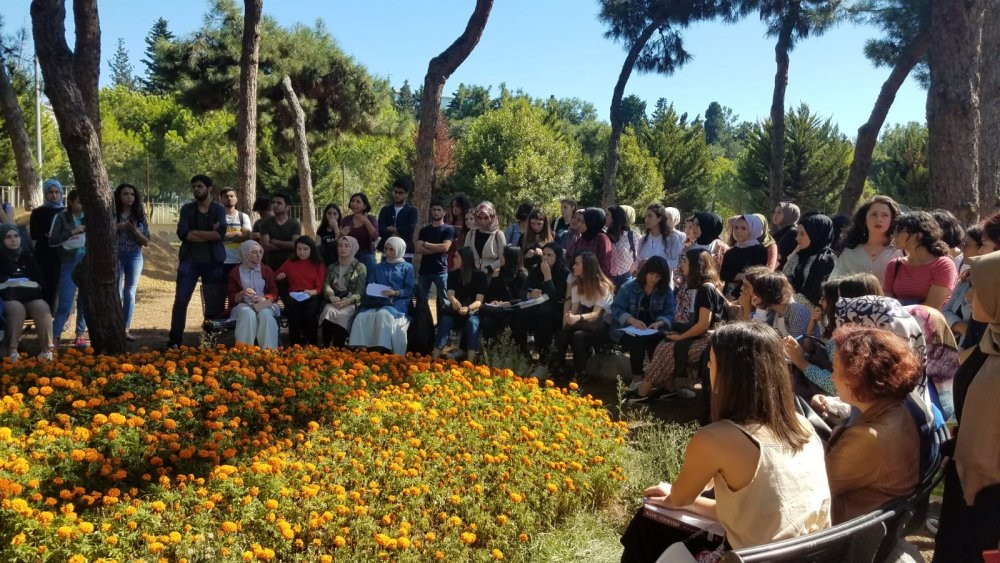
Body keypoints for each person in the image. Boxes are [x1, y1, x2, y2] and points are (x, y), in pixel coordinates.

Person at [620, 323, 831, 561]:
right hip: (803, 555)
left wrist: (674, 495)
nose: (708, 367)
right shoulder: (803, 427)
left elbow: (679, 499)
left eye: (711, 361)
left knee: (647, 523)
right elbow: (755, 516)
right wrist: (684, 501)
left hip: (748, 557)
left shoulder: (717, 438)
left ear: (729, 374)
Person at [932, 251, 1000, 563]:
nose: (969, 296)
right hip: (966, 485)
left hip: (988, 502)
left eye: (979, 288)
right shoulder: (991, 340)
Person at [824, 325, 921, 523]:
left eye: (835, 370)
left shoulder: (868, 437)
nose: (832, 377)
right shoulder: (897, 410)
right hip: (876, 519)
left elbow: (816, 487)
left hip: (845, 531)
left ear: (858, 378)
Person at [627, 248, 728, 403]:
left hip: (709, 340)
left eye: (685, 261)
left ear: (695, 265)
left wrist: (681, 337)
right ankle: (667, 387)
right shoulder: (705, 287)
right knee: (664, 342)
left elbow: (703, 325)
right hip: (704, 336)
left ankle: (644, 390)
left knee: (667, 349)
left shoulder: (706, 289)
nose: (682, 265)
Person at [167, 175, 227, 349]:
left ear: (209, 189)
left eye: (200, 186)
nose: (196, 190)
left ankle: (210, 342)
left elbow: (219, 235)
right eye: (194, 187)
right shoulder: (187, 209)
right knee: (181, 301)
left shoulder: (218, 210)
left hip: (213, 262)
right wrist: (209, 234)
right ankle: (175, 341)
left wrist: (195, 233)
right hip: (189, 262)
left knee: (213, 304)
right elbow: (183, 234)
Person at [609, 256, 675, 385]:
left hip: (652, 329)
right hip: (626, 330)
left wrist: (659, 323)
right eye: (651, 274)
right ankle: (637, 377)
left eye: (658, 276)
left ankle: (658, 378)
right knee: (639, 341)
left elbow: (670, 313)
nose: (653, 279)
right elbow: (616, 309)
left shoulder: (666, 291)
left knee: (661, 342)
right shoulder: (628, 287)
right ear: (645, 272)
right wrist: (632, 320)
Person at [551, 251, 614, 378]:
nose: (573, 266)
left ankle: (580, 373)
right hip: (584, 322)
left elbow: (596, 314)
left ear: (587, 267)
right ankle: (558, 366)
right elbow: (574, 309)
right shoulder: (576, 286)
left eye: (577, 264)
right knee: (562, 333)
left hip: (601, 326)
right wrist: (568, 318)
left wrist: (577, 318)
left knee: (578, 336)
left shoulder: (603, 287)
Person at [349, 237, 414, 355]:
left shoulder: (407, 267)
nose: (387, 252)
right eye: (386, 249)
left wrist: (395, 293)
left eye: (391, 250)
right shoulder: (379, 267)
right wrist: (373, 289)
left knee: (383, 315)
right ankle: (362, 350)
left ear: (399, 250)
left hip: (397, 303)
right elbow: (370, 284)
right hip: (377, 301)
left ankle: (382, 350)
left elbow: (410, 290)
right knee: (361, 316)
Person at [883, 211, 958, 310]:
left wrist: (899, 310)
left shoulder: (943, 265)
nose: (894, 235)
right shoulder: (894, 265)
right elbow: (887, 304)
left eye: (899, 230)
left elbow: (931, 307)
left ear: (918, 236)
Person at [0, 224, 54, 361]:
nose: (13, 240)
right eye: (8, 237)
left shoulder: (27, 256)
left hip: (30, 296)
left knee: (42, 307)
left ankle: (46, 351)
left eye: (16, 236)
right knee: (17, 309)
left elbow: (40, 280)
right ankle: (12, 350)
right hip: (7, 298)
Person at [509, 241, 568, 361]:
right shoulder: (536, 269)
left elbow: (555, 298)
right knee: (517, 318)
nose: (545, 257)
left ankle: (544, 358)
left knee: (545, 320)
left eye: (549, 255)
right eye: (544, 254)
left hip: (554, 311)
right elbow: (522, 291)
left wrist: (547, 276)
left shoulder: (564, 273)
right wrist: (530, 295)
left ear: (557, 257)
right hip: (535, 307)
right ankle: (522, 355)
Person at [831, 195, 903, 286]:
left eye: (885, 215)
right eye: (874, 214)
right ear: (864, 218)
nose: (879, 219)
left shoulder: (900, 251)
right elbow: (833, 282)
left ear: (892, 220)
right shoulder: (850, 251)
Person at [432, 246, 488, 361]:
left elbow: (479, 301)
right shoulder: (453, 274)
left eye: (456, 257)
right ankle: (434, 358)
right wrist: (453, 300)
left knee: (473, 324)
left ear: (465, 259)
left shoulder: (480, 276)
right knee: (445, 321)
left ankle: (470, 362)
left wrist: (468, 308)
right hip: (455, 310)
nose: (453, 259)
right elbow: (450, 293)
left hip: (472, 311)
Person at [47, 189, 88, 348]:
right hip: (69, 261)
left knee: (84, 301)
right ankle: (55, 337)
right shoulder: (61, 217)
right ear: (70, 201)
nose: (82, 205)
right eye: (79, 202)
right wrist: (72, 231)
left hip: (86, 261)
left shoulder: (88, 216)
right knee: (65, 302)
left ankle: (80, 335)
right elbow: (52, 241)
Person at [226, 240, 279, 349]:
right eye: (254, 252)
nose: (258, 255)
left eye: (260, 252)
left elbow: (274, 293)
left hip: (263, 303)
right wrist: (242, 293)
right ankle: (245, 352)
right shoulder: (236, 272)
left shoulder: (266, 270)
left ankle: (269, 353)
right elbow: (231, 296)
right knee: (248, 314)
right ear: (245, 253)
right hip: (244, 304)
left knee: (266, 315)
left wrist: (264, 299)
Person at [113, 183, 151, 339]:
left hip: (134, 256)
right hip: (116, 256)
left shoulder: (140, 216)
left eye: (132, 194)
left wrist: (133, 230)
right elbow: (103, 231)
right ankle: (114, 325)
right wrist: (118, 227)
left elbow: (146, 241)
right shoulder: (112, 214)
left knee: (130, 292)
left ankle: (125, 328)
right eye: (125, 194)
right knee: (116, 292)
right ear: (119, 196)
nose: (129, 197)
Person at [275, 236, 325, 346]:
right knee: (294, 314)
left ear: (312, 249)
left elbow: (320, 287)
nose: (301, 252)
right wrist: (280, 276)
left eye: (305, 249)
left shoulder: (318, 264)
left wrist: (312, 292)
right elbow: (277, 275)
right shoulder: (290, 262)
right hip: (293, 296)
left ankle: (312, 345)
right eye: (299, 249)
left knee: (310, 313)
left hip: (311, 294)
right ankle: (294, 346)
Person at [942, 226, 986, 348]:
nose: (962, 248)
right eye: (962, 243)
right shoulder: (965, 280)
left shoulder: (990, 285)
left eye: (967, 244)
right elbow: (944, 311)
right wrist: (960, 326)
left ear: (981, 248)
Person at [319, 235, 366, 348]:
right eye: (340, 245)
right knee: (328, 310)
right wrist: (331, 296)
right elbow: (326, 285)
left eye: (346, 246)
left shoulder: (360, 267)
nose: (343, 248)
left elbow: (360, 290)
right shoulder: (332, 266)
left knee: (343, 315)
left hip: (350, 301)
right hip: (335, 300)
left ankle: (338, 348)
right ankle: (325, 347)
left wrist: (348, 301)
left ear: (353, 248)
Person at [784, 213, 837, 308]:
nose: (797, 238)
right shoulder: (801, 254)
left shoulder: (826, 260)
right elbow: (785, 278)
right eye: (797, 233)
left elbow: (816, 296)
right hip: (791, 306)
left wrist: (788, 297)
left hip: (813, 314)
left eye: (802, 234)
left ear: (816, 234)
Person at [29, 178, 65, 308]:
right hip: (44, 254)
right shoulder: (38, 212)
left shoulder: (66, 212)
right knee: (46, 284)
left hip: (63, 253)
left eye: (57, 192)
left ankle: (62, 316)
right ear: (45, 193)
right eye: (50, 192)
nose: (54, 195)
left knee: (62, 285)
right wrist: (46, 234)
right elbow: (33, 234)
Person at [480, 245, 528, 340]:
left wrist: (507, 303)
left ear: (509, 257)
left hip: (514, 309)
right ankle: (490, 350)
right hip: (499, 309)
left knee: (510, 322)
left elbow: (525, 298)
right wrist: (494, 301)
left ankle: (512, 351)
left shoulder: (522, 275)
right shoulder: (498, 272)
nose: (500, 257)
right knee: (487, 321)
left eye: (502, 255)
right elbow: (490, 295)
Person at [415, 199, 454, 310]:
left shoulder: (448, 229)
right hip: (424, 271)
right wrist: (437, 248)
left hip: (441, 271)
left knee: (444, 302)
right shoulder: (424, 230)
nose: (436, 212)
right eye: (434, 210)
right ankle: (424, 326)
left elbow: (445, 247)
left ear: (444, 212)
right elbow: (418, 248)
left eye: (439, 210)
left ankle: (443, 326)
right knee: (422, 302)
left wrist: (426, 244)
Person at [720, 214, 769, 299]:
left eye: (743, 228)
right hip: (727, 295)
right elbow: (723, 274)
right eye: (736, 227)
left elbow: (755, 276)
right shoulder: (731, 252)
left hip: (748, 296)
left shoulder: (759, 250)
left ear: (753, 230)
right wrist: (740, 275)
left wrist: (735, 294)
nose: (738, 231)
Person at [750, 272, 813, 339]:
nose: (754, 296)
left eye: (758, 293)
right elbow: (760, 334)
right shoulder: (774, 311)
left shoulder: (796, 311)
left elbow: (798, 344)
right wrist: (760, 308)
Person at [377, 177, 419, 261]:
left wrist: (394, 229)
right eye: (395, 192)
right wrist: (400, 231)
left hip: (405, 252)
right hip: (387, 251)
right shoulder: (385, 210)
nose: (397, 195)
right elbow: (381, 230)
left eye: (400, 193)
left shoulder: (412, 211)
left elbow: (410, 231)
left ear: (406, 194)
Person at [340, 192, 379, 282]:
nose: (354, 203)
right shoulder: (346, 220)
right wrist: (341, 234)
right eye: (353, 201)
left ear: (365, 206)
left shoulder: (372, 219)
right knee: (350, 283)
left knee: (369, 281)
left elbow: (375, 237)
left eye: (358, 202)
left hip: (366, 255)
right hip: (349, 255)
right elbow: (340, 239)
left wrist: (366, 221)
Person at [258, 193, 302, 272]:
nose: (275, 205)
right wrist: (287, 245)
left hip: (291, 265)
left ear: (287, 207)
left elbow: (295, 245)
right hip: (271, 267)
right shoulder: (265, 223)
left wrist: (275, 241)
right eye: (273, 202)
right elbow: (266, 246)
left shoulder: (294, 223)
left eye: (279, 203)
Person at [219, 186, 253, 279]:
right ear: (221, 199)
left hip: (239, 261)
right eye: (226, 196)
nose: (229, 198)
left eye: (231, 196)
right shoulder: (216, 217)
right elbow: (215, 236)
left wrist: (223, 236)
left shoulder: (243, 217)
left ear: (236, 198)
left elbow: (246, 236)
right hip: (220, 261)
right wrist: (238, 234)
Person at [464, 201, 506, 274]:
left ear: (492, 217)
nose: (482, 221)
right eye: (480, 218)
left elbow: (503, 259)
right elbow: (465, 254)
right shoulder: (471, 233)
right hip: (473, 274)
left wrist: (489, 268)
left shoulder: (498, 234)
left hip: (491, 275)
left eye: (486, 218)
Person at [573, 208, 613, 278]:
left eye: (583, 222)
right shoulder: (580, 239)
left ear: (591, 223)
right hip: (580, 281)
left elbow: (604, 266)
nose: (579, 224)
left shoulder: (602, 239)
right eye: (579, 221)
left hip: (596, 282)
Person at [606, 205, 638, 289]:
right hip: (609, 277)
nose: (605, 217)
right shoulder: (605, 236)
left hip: (627, 276)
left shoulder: (632, 235)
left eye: (607, 215)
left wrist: (633, 269)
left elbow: (639, 255)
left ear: (614, 217)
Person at [447, 193, 472, 270]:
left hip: (467, 260)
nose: (455, 208)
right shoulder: (449, 225)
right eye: (453, 206)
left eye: (457, 206)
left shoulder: (471, 224)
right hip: (451, 260)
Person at [772, 201, 801, 270]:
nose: (775, 215)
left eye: (779, 212)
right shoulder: (781, 231)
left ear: (789, 215)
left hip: (781, 272)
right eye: (775, 212)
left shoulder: (792, 232)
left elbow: (778, 255)